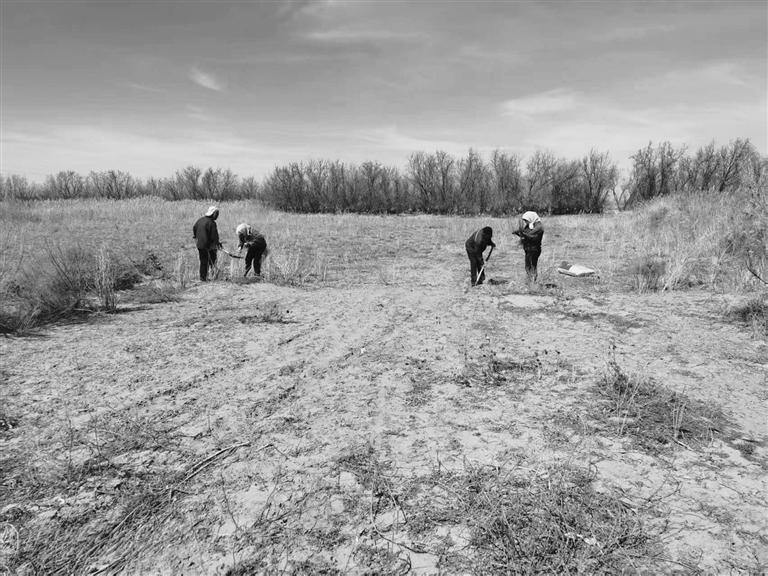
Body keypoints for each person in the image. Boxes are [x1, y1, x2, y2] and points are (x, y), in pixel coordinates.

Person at [513, 211, 544, 282]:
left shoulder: (539, 227)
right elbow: (525, 234)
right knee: (528, 266)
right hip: (529, 249)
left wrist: (523, 234)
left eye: (526, 220)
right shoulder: (531, 225)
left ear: (531, 218)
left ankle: (532, 283)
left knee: (531, 266)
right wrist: (518, 233)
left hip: (534, 250)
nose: (525, 222)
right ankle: (531, 281)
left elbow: (533, 237)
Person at [193, 206, 222, 281]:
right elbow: (214, 236)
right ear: (213, 214)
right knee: (213, 261)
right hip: (208, 246)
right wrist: (217, 244)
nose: (217, 216)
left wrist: (196, 237)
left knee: (203, 262)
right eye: (217, 214)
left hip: (200, 245)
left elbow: (194, 228)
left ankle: (203, 278)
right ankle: (214, 276)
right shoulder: (212, 223)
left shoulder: (200, 220)